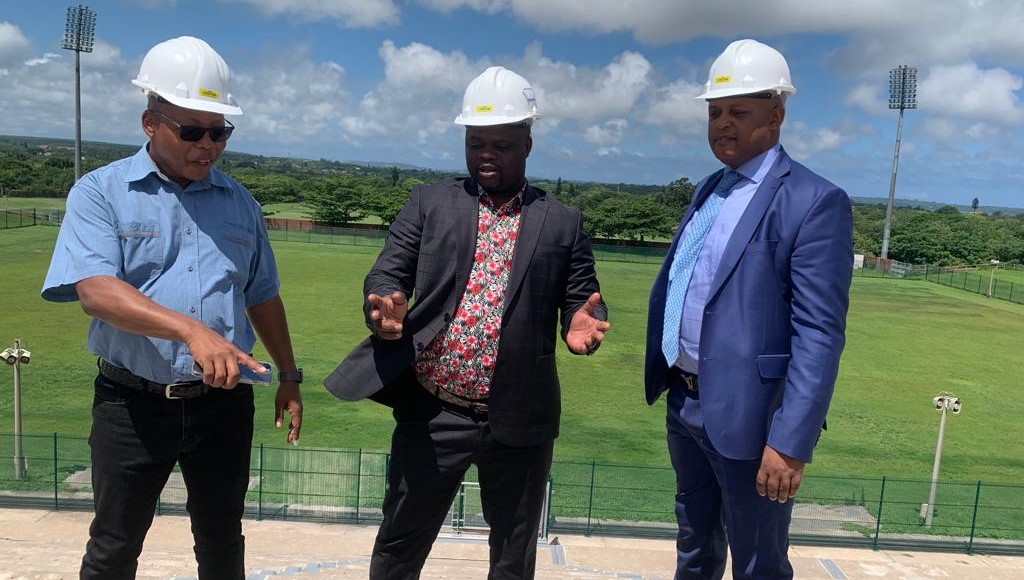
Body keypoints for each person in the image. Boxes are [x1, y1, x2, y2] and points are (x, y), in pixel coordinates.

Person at [324, 66, 610, 579]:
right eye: (476, 141)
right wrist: (383, 300)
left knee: (512, 557)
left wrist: (582, 328)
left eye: (501, 144)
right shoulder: (429, 202)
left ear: (527, 142)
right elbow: (390, 267)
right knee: (399, 545)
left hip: (521, 418)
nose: (486, 154)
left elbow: (582, 297)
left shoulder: (561, 220)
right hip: (435, 412)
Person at [41, 36, 303, 579]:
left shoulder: (240, 203)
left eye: (219, 132)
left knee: (222, 541)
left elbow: (263, 295)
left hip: (224, 405)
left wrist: (290, 375)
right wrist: (191, 332)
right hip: (130, 406)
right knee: (114, 546)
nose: (207, 145)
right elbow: (95, 290)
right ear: (149, 122)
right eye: (191, 131)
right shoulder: (100, 192)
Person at [644, 39, 853, 579]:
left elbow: (819, 333)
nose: (722, 124)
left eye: (739, 111)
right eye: (714, 112)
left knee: (759, 564)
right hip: (686, 405)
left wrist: (789, 441)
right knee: (694, 549)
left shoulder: (814, 201)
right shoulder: (710, 189)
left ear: (777, 115)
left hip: (754, 423)